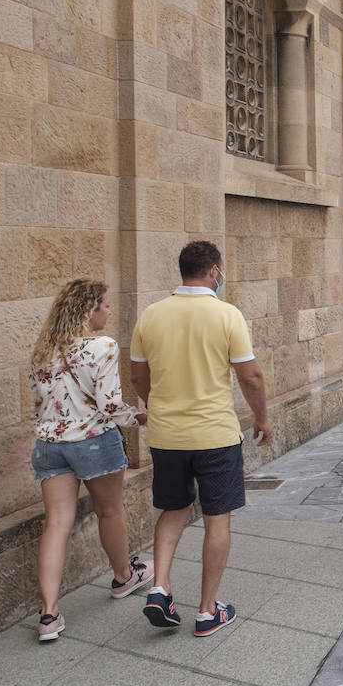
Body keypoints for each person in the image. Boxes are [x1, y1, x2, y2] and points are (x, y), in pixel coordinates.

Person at [130, 240, 270, 636]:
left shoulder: (151, 316)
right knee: (216, 518)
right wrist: (262, 417)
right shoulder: (226, 315)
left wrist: (157, 405)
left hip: (166, 435)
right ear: (214, 271)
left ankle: (160, 587)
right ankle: (208, 611)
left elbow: (138, 376)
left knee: (172, 510)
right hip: (214, 434)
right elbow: (250, 376)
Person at [29, 279, 151, 642]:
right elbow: (110, 405)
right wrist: (138, 418)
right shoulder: (103, 346)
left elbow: (38, 404)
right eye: (106, 305)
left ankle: (49, 614)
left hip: (50, 444)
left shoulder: (43, 351)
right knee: (111, 512)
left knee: (56, 523)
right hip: (94, 442)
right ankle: (123, 577)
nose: (109, 312)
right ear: (89, 309)